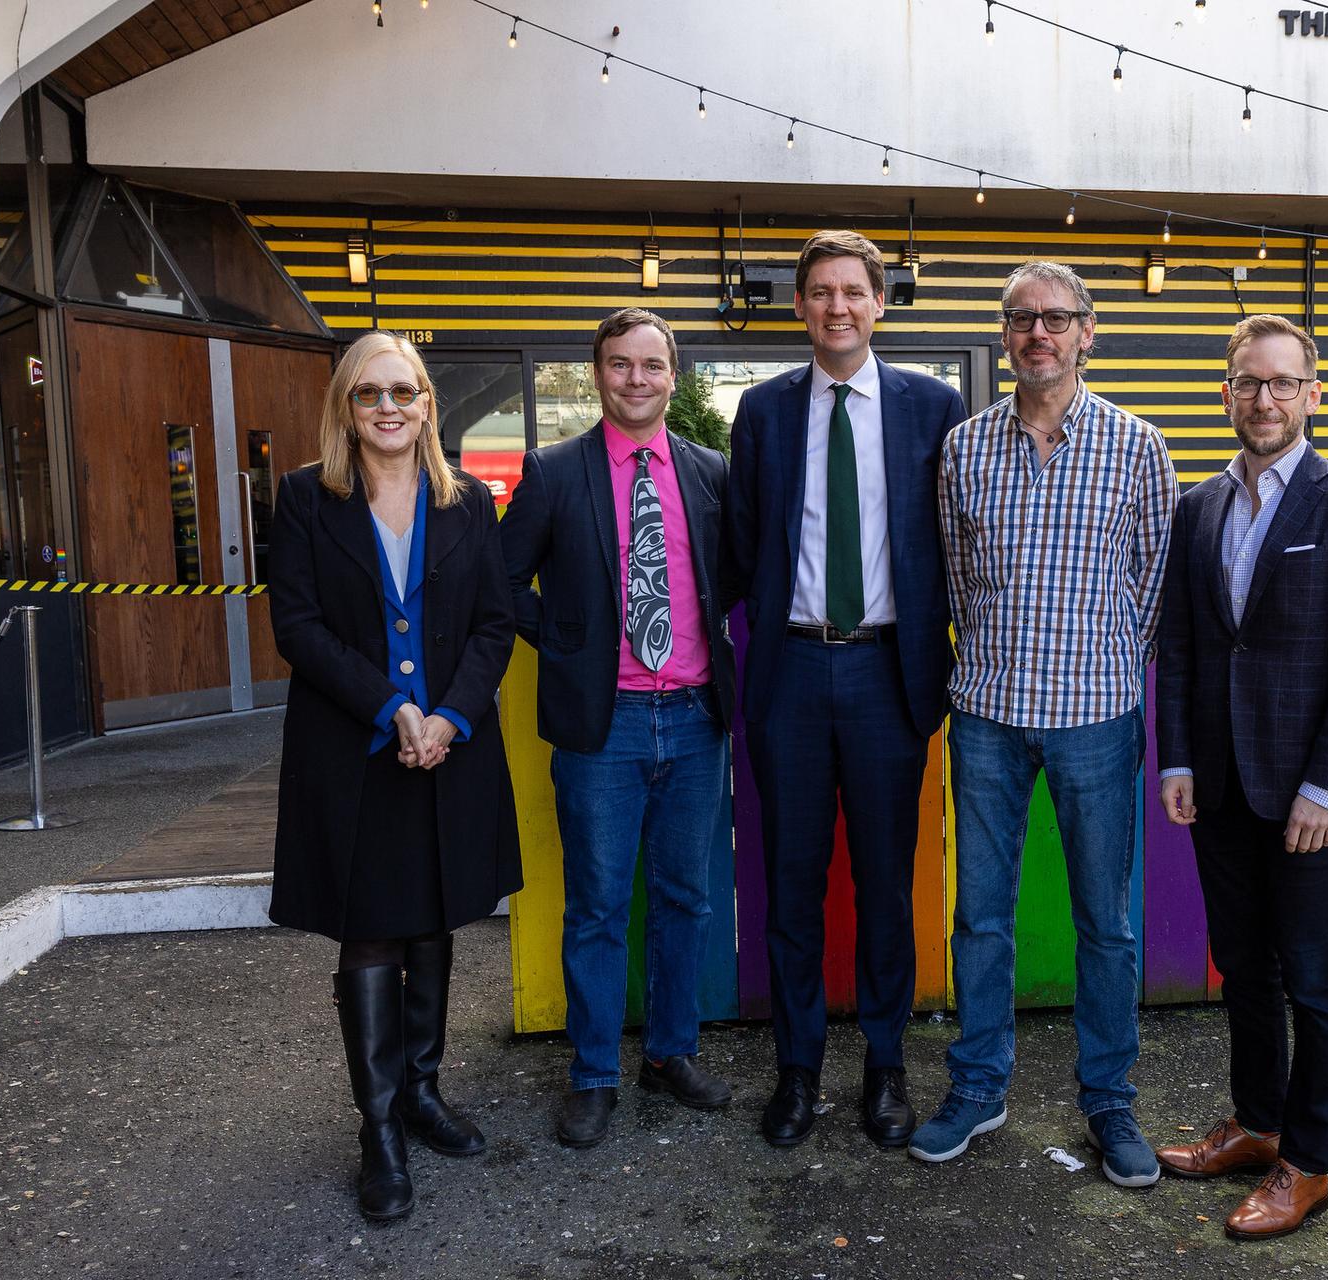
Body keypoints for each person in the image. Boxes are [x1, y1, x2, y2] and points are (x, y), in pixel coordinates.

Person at [916, 260, 1176, 1187]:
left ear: (1086, 332)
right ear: (1004, 335)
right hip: (986, 712)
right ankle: (979, 1088)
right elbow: (952, 571)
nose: (1039, 334)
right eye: (1022, 318)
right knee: (980, 918)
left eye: (1056, 319)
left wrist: (1105, 659)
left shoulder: (1139, 448)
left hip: (1095, 717)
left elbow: (1153, 583)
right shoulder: (964, 448)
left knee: (1105, 924)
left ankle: (1110, 1102)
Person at [1152, 313, 1328, 1239]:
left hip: (1307, 798)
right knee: (1243, 970)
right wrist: (1175, 756)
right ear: (1226, 393)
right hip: (1217, 785)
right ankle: (1256, 1126)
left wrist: (1326, 787)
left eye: (1283, 383)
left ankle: (1307, 1163)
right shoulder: (1199, 506)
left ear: (1313, 395)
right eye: (1249, 383)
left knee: (1312, 978)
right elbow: (1178, 643)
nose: (1265, 399)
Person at [269, 331, 522, 1223]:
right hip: (357, 752)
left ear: (427, 405)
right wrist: (393, 708)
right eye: (370, 393)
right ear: (347, 405)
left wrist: (449, 715)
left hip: (449, 748)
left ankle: (422, 1092)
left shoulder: (469, 504)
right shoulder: (305, 498)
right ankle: (377, 1128)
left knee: (431, 921)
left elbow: (495, 625)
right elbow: (297, 629)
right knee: (371, 931)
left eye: (405, 393)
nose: (389, 408)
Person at [728, 230, 967, 1149]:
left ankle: (885, 1069)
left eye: (853, 292)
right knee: (790, 885)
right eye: (820, 292)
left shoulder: (932, 406)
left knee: (883, 887)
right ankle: (796, 1074)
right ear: (801, 307)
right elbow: (745, 544)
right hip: (788, 670)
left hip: (886, 672)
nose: (837, 307)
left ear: (879, 303)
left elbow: (955, 542)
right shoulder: (763, 411)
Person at [498, 307, 736, 1149]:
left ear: (675, 376)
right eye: (620, 365)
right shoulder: (556, 471)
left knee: (687, 900)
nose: (636, 379)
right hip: (603, 729)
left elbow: (731, 579)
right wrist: (562, 642)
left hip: (698, 719)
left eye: (652, 365)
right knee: (597, 907)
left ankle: (670, 1055)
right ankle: (595, 1072)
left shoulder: (710, 471)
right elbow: (500, 580)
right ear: (596, 374)